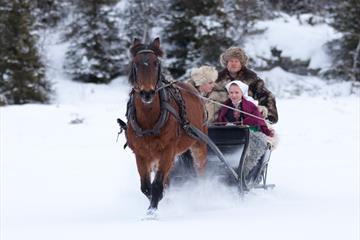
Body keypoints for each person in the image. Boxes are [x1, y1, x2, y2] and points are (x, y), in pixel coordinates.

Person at [217, 80, 274, 180]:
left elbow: (259, 120)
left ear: (242, 93)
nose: (233, 95)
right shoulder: (225, 107)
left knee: (257, 144)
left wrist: (267, 131)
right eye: (231, 93)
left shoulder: (250, 106)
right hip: (229, 136)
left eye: (236, 92)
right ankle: (225, 171)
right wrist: (227, 125)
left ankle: (245, 172)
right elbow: (220, 121)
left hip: (248, 134)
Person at [208, 47, 279, 124]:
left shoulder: (251, 78)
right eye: (231, 61)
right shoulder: (216, 78)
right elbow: (203, 93)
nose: (233, 64)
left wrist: (267, 114)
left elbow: (267, 95)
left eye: (236, 61)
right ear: (226, 63)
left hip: (245, 119)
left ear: (241, 63)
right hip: (219, 119)